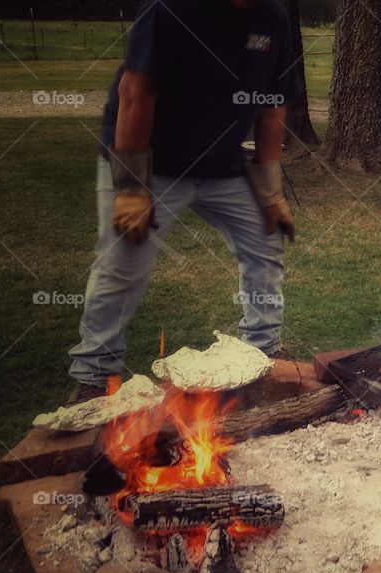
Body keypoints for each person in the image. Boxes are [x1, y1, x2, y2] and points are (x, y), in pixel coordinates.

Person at [66, 0, 300, 404]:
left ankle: (264, 350)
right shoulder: (168, 10)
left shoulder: (273, 18)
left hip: (222, 164)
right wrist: (132, 188)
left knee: (266, 244)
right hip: (151, 161)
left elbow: (273, 104)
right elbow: (135, 93)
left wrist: (270, 190)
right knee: (123, 262)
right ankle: (94, 375)